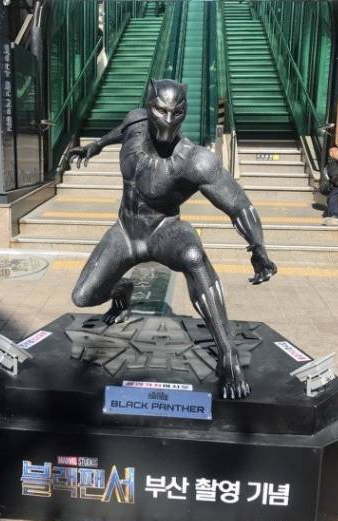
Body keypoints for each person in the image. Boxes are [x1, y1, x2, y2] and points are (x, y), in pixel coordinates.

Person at [65, 79, 277, 400]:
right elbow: (119, 132)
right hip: (125, 231)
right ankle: (122, 291)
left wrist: (257, 247)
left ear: (184, 111)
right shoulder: (135, 122)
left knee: (193, 255)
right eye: (160, 110)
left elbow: (239, 204)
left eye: (175, 112)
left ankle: (227, 352)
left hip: (163, 229)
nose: (167, 119)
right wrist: (95, 145)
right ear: (148, 107)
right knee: (83, 297)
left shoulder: (195, 160)